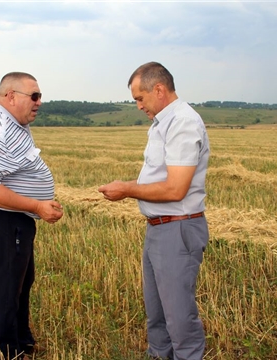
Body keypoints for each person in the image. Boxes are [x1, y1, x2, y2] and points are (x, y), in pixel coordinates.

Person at [98, 62, 210, 360]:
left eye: (140, 98)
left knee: (179, 317)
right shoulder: (162, 123)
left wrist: (127, 189)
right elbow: (159, 179)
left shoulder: (183, 122)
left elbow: (175, 189)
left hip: (178, 229)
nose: (138, 106)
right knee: (157, 314)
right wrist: (130, 187)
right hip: (160, 228)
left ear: (159, 89)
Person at [0, 72, 64, 360]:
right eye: (33, 96)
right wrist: (37, 206)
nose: (39, 103)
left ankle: (22, 340)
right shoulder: (0, 130)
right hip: (3, 221)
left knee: (22, 281)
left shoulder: (13, 123)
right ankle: (10, 350)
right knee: (8, 286)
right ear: (11, 96)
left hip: (14, 220)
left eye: (40, 96)